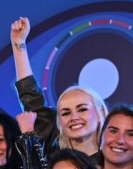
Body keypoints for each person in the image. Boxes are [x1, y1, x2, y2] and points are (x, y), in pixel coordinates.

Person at [10, 17, 107, 155]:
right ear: (59, 122)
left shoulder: (115, 160)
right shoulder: (54, 152)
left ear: (100, 112)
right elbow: (31, 99)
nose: (74, 117)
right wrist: (18, 43)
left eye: (82, 109)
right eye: (66, 113)